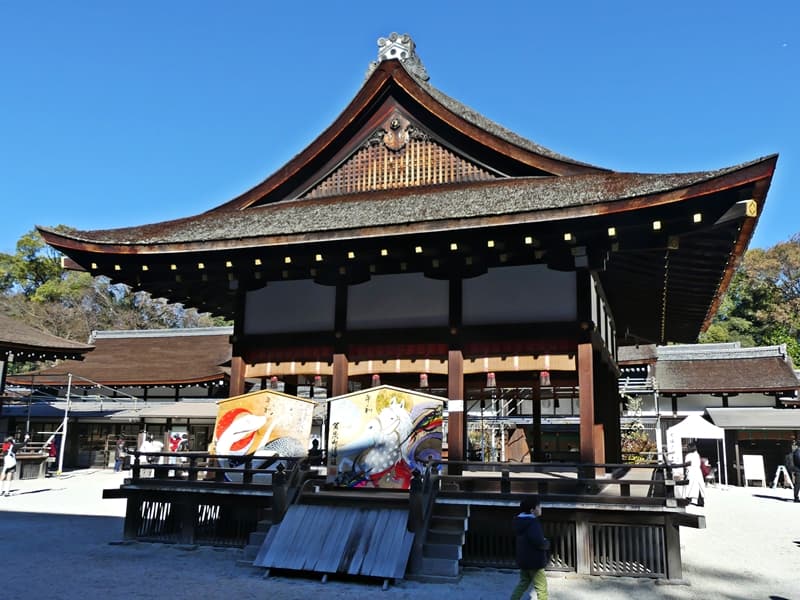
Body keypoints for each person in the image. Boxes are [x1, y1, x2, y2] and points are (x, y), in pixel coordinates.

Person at [510, 495, 549, 600]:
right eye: (539, 506)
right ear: (532, 510)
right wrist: (546, 543)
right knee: (541, 588)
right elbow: (538, 541)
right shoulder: (533, 523)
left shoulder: (519, 521)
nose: (541, 508)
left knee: (523, 583)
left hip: (523, 560)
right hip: (535, 561)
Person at [685, 442, 706, 507]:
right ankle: (701, 501)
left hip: (691, 472)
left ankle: (688, 500)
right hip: (697, 472)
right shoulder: (697, 454)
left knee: (690, 486)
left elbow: (686, 464)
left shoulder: (688, 455)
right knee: (699, 486)